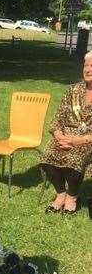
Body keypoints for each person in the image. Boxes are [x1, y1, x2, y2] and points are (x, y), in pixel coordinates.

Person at [41, 50, 92, 214]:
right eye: (86, 66)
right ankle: (60, 194)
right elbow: (58, 117)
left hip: (88, 140)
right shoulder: (73, 90)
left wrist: (77, 141)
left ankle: (72, 196)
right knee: (48, 154)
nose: (88, 70)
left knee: (75, 157)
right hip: (65, 135)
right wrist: (59, 135)